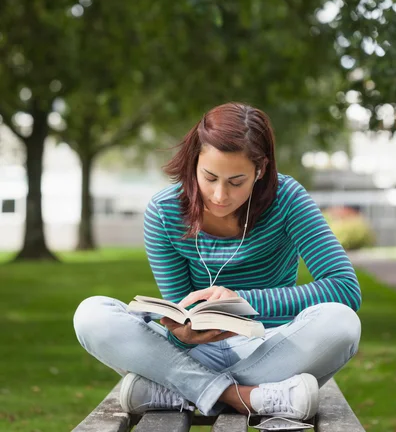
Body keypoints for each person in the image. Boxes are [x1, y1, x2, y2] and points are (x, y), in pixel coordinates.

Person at [73, 102, 361, 422]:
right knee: (91, 315)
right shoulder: (165, 211)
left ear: (260, 169)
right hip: (192, 354)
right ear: (194, 162)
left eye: (236, 181)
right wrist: (180, 332)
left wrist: (244, 301)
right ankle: (244, 397)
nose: (220, 195)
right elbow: (178, 312)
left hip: (267, 346)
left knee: (342, 323)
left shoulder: (288, 198)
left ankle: (177, 393)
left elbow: (345, 288)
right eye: (209, 177)